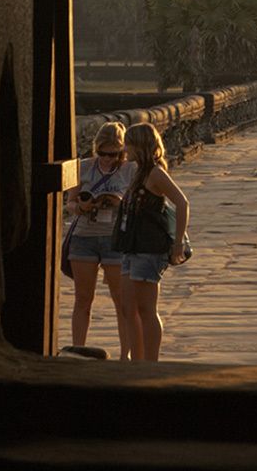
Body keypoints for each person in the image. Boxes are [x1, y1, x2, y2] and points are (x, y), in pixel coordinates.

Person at [114, 122, 190, 362]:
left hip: (148, 249)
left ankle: (151, 362)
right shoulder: (138, 171)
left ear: (141, 146)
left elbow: (182, 202)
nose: (125, 149)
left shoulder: (156, 173)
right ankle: (137, 359)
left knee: (146, 309)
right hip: (131, 246)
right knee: (128, 308)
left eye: (129, 144)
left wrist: (178, 242)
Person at [65, 121, 134, 358]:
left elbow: (138, 203)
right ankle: (79, 350)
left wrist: (119, 201)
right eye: (103, 153)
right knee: (83, 299)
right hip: (84, 236)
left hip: (115, 237)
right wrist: (80, 206)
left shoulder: (129, 169)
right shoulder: (84, 167)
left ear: (122, 151)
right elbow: (70, 203)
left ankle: (125, 354)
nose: (107, 158)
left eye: (114, 154)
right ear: (96, 149)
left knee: (121, 300)